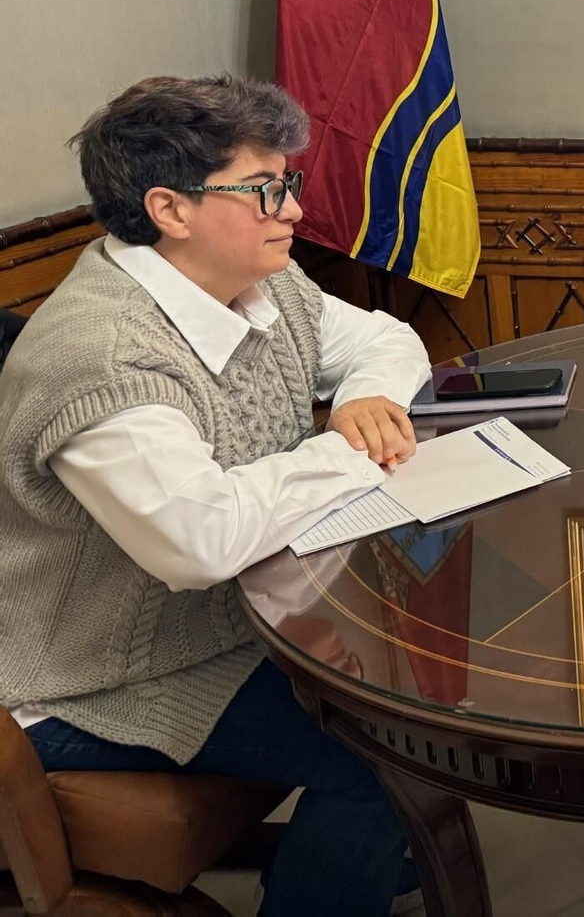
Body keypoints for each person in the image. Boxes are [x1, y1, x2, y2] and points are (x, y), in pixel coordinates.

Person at [0, 76, 435, 916]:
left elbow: (386, 338)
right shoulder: (102, 357)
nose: (295, 212)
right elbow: (201, 542)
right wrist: (350, 451)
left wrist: (358, 398)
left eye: (290, 184)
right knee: (402, 759)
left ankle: (364, 860)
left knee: (414, 703)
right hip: (89, 678)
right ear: (171, 209)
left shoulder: (262, 285)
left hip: (227, 627)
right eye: (266, 190)